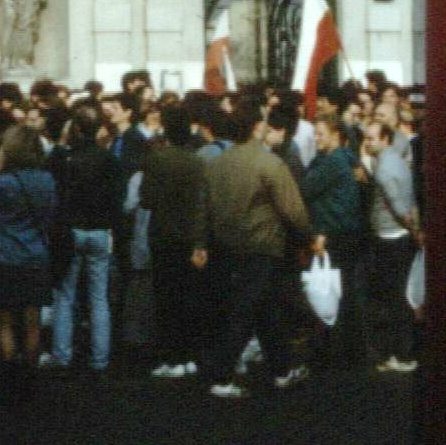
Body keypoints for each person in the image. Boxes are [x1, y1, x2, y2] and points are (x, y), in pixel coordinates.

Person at [192, 108, 315, 399]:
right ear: (256, 127)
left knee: (265, 309)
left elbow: (202, 209)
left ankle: (283, 370)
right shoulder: (269, 163)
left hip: (227, 246)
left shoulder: (217, 164)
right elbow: (293, 211)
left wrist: (201, 244)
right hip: (263, 245)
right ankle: (222, 375)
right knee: (247, 311)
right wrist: (306, 240)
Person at [0, 124, 58, 400]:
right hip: (37, 256)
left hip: (6, 256)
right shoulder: (47, 180)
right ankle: (31, 378)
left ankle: (11, 377)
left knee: (5, 320)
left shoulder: (4, 183)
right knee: (33, 321)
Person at [45, 105, 124, 377]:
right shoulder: (109, 159)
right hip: (100, 230)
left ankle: (62, 354)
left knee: (65, 295)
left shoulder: (67, 160)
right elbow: (118, 199)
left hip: (72, 230)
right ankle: (100, 358)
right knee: (99, 296)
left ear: (75, 128)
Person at [139, 104, 206, 379]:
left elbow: (146, 199)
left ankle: (172, 357)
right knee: (189, 297)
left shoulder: (156, 159)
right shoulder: (198, 160)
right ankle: (189, 356)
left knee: (166, 298)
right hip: (191, 234)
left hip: (164, 234)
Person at [301, 112, 370, 370]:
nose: (316, 139)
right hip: (346, 234)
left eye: (321, 134)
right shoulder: (346, 158)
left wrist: (321, 232)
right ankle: (351, 351)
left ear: (336, 135)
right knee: (346, 292)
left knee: (328, 292)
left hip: (333, 234)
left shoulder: (331, 163)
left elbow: (305, 188)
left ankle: (328, 353)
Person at [363, 121, 419, 373]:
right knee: (400, 296)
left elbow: (398, 207)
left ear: (385, 139)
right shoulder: (396, 160)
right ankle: (402, 352)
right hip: (399, 236)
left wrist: (413, 229)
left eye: (372, 138)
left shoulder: (384, 168)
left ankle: (402, 354)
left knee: (395, 299)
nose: (367, 142)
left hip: (391, 237)